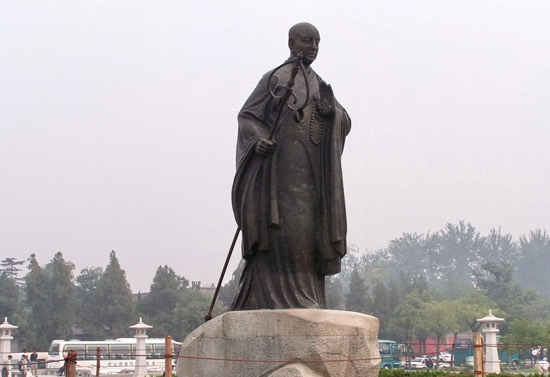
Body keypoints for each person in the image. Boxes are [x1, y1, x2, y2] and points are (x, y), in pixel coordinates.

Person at [230, 22, 351, 310]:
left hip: (313, 174)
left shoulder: (320, 84)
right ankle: (278, 298)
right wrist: (257, 141)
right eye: (308, 41)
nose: (313, 48)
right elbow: (247, 117)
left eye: (317, 43)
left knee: (310, 231)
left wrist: (332, 113)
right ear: (291, 43)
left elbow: (344, 119)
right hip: (280, 173)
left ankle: (308, 297)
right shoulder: (275, 78)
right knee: (285, 230)